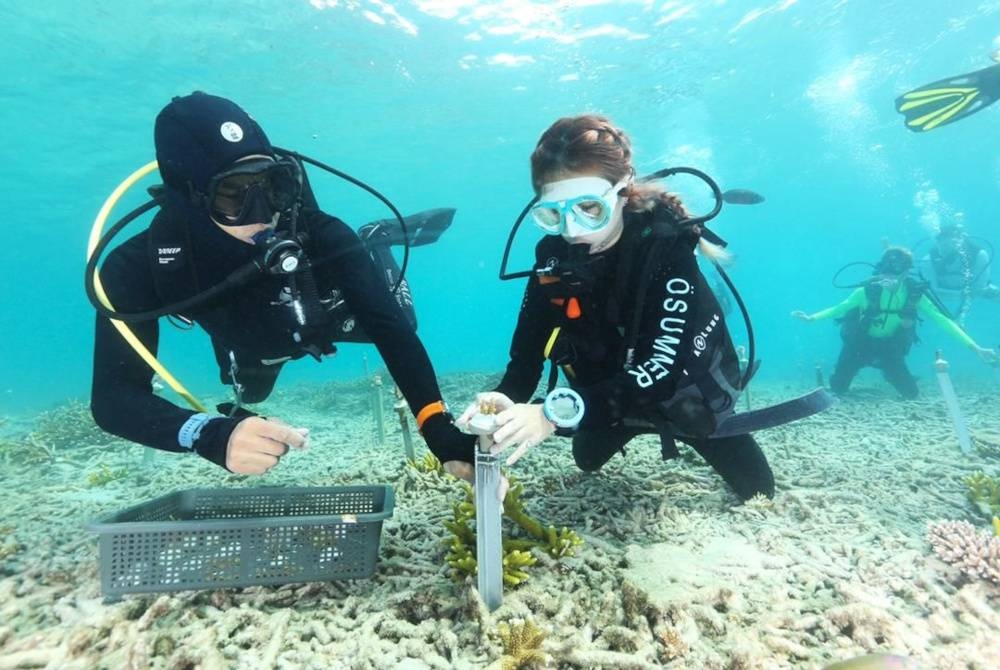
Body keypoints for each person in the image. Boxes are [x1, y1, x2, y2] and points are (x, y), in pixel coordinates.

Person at [90, 92, 474, 477]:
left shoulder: (321, 234)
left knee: (403, 320)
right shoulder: (137, 267)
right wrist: (209, 434)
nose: (265, 215)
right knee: (251, 395)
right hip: (248, 341)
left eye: (274, 186)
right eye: (233, 195)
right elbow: (113, 399)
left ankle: (376, 240)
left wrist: (438, 431)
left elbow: (390, 331)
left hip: (324, 310)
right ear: (190, 197)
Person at [458, 115, 775, 502]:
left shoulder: (666, 248)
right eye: (553, 214)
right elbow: (525, 357)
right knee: (587, 459)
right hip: (607, 399)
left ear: (623, 189)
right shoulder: (552, 258)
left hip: (682, 399)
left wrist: (550, 414)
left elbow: (663, 369)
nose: (573, 230)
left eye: (589, 208)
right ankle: (617, 422)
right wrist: (506, 397)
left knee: (760, 491)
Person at [792, 246, 997, 399]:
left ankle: (890, 373)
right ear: (880, 270)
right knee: (838, 389)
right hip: (858, 345)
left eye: (895, 273)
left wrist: (975, 347)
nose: (889, 278)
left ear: (906, 273)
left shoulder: (914, 295)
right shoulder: (866, 291)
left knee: (911, 394)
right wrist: (812, 318)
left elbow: (943, 320)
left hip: (890, 348)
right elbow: (840, 308)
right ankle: (842, 376)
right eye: (885, 271)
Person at [925, 221, 998, 309]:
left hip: (971, 290)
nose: (945, 250)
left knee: (993, 293)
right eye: (942, 244)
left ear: (962, 242)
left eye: (948, 245)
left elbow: (978, 288)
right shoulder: (930, 258)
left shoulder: (979, 255)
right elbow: (932, 290)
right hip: (947, 291)